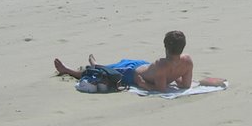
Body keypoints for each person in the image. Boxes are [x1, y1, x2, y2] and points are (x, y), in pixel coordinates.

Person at [54, 30, 194, 92]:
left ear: (165, 47)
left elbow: (161, 89)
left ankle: (69, 70)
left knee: (103, 71)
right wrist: (175, 79)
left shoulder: (162, 64)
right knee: (117, 64)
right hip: (142, 65)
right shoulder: (187, 61)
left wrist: (143, 84)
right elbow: (186, 85)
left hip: (131, 73)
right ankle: (95, 63)